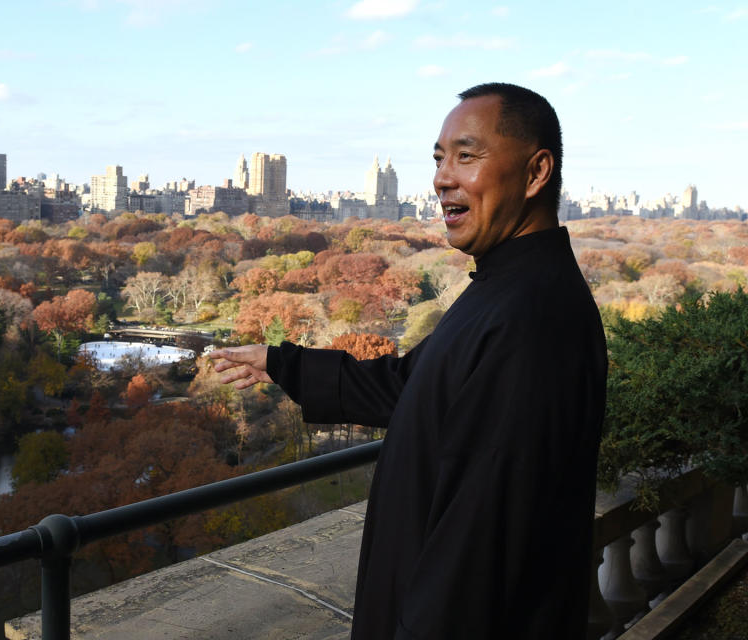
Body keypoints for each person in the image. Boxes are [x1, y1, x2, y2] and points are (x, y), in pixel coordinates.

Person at [210, 83, 607, 639]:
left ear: (536, 173)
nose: (443, 177)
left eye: (467, 156)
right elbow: (411, 386)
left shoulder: (530, 320)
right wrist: (283, 364)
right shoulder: (503, 289)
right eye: (440, 159)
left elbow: (475, 553)